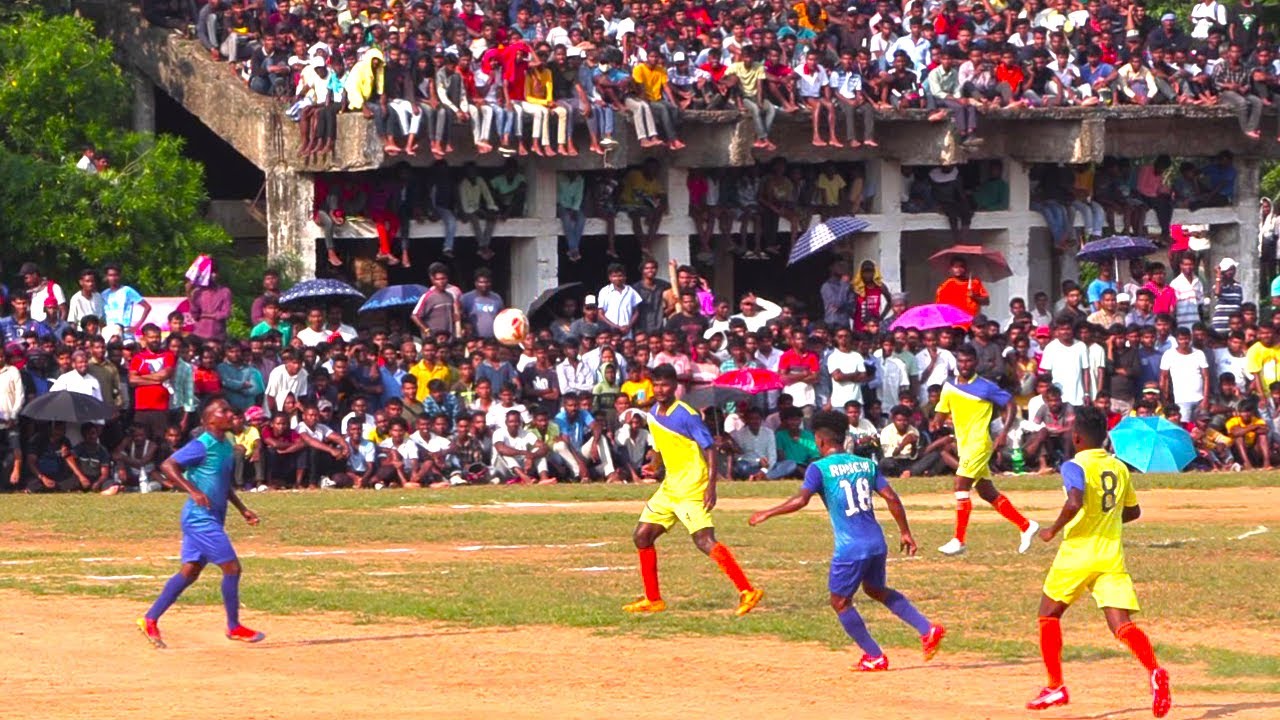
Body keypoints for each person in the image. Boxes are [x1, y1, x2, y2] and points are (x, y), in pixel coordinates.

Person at [749, 410, 945, 671]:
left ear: (820, 440)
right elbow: (891, 497)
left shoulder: (818, 469)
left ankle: (874, 656)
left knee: (840, 602)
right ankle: (927, 629)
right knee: (875, 589)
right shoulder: (866, 464)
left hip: (851, 548)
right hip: (877, 543)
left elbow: (801, 500)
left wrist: (767, 512)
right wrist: (905, 532)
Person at [1027, 406, 1171, 718]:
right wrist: (1106, 518)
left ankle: (1055, 686)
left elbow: (1075, 500)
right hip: (1110, 554)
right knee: (1122, 625)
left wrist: (1053, 529)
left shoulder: (1073, 465)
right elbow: (1133, 512)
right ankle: (1155, 672)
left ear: (1076, 437)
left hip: (1078, 553)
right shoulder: (1119, 468)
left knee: (1048, 615)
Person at [623, 364, 763, 616]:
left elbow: (709, 447)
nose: (660, 389)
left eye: (665, 385)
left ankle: (747, 591)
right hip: (670, 487)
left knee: (703, 540)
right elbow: (662, 446)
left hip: (691, 487)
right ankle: (653, 599)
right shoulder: (654, 412)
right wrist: (655, 465)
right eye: (656, 385)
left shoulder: (686, 414)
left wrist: (711, 485)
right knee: (642, 536)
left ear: (675, 386)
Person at [136, 399, 265, 648]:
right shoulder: (201, 445)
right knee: (232, 568)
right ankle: (234, 626)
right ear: (209, 421)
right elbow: (168, 465)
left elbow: (222, 483)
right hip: (199, 519)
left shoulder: (227, 444)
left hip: (212, 516)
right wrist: (192, 490)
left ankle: (150, 619)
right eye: (224, 411)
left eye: (230, 409)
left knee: (190, 572)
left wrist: (242, 509)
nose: (230, 414)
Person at [931, 346, 1039, 556]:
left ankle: (959, 540)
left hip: (979, 443)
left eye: (969, 361)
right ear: (957, 363)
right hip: (964, 444)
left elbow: (1010, 404)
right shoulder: (949, 385)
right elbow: (942, 412)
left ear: (975, 363)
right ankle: (1026, 526)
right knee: (987, 492)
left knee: (960, 485)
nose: (964, 365)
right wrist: (936, 423)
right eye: (961, 361)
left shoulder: (986, 387)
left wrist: (1003, 433)